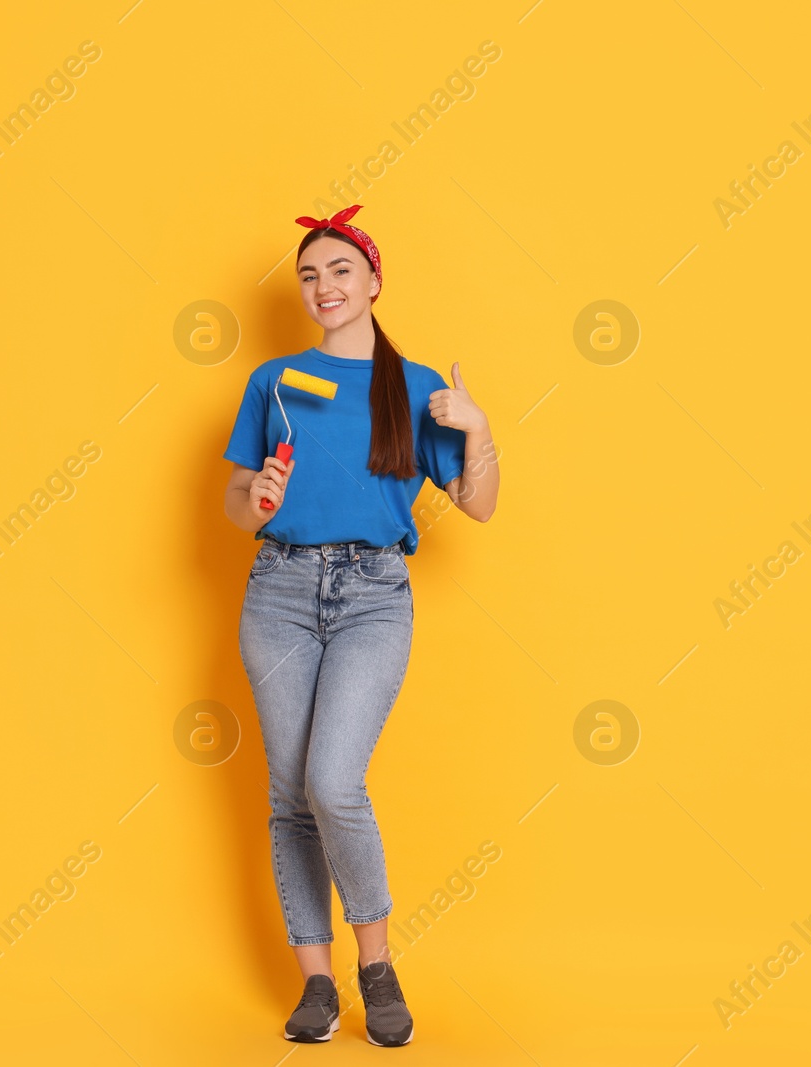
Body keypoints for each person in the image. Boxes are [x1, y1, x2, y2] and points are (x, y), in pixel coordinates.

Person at [221, 205, 499, 1046]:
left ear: (374, 282)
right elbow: (237, 501)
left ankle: (375, 965)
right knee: (289, 794)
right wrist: (255, 499)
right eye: (309, 275)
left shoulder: (416, 390)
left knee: (332, 779)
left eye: (339, 270)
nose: (323, 287)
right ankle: (318, 985)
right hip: (278, 592)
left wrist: (479, 429)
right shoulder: (274, 380)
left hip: (374, 594)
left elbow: (478, 504)